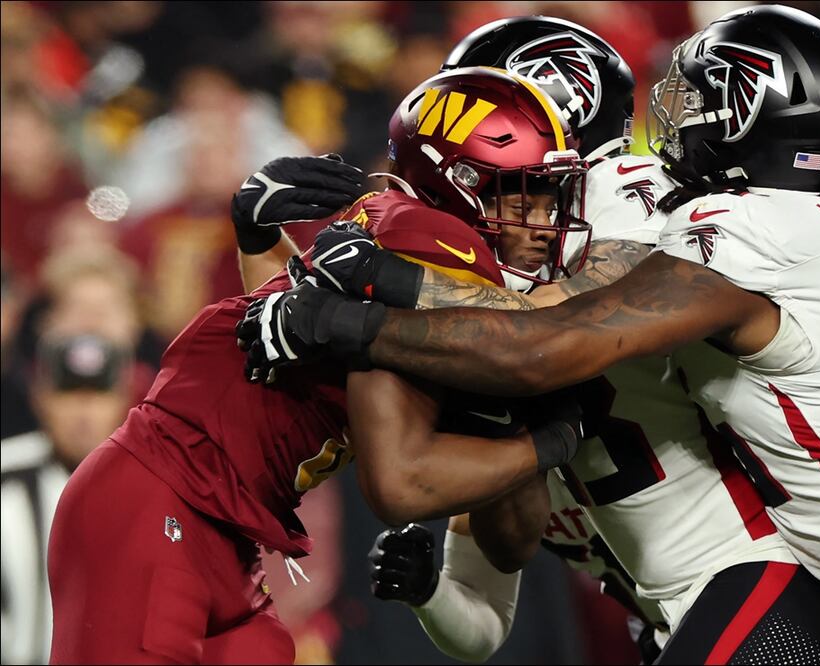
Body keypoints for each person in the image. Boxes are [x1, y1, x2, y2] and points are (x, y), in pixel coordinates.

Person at [242, 6, 820, 664]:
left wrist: (344, 307)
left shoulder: (699, 218)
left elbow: (545, 337)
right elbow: (492, 491)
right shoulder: (763, 214)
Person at [46, 68, 589, 665]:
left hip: (223, 527)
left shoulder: (396, 238)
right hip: (164, 502)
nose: (542, 221)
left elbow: (284, 349)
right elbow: (401, 480)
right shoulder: (428, 242)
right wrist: (551, 442)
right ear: (461, 180)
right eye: (523, 193)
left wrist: (261, 240)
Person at [1, 334, 135, 665]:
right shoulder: (6, 476)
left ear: (124, 399)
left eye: (97, 394)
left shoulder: (153, 485)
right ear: (40, 397)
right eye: (69, 393)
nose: (84, 413)